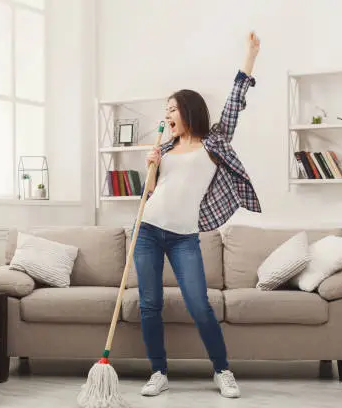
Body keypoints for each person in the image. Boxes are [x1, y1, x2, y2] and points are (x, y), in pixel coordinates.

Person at [132, 31, 262, 399]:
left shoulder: (214, 141)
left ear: (188, 111)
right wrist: (152, 165)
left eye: (172, 109)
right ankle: (158, 372)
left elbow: (236, 101)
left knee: (199, 305)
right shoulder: (165, 147)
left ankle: (222, 370)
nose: (167, 115)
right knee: (149, 305)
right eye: (165, 110)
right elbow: (150, 194)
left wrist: (250, 56)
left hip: (184, 236)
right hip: (146, 230)